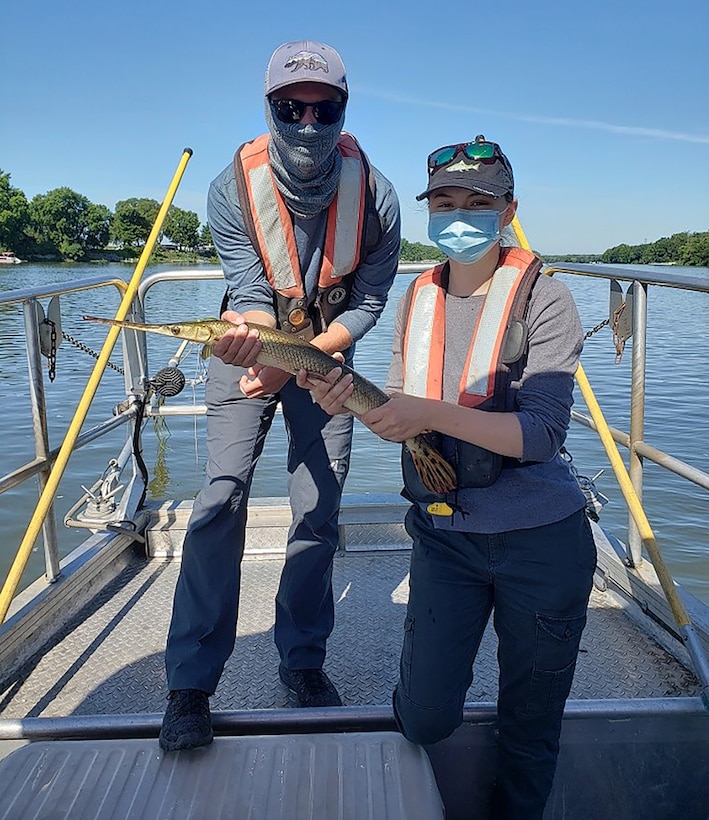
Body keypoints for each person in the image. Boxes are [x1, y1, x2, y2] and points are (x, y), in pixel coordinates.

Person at [298, 136, 596, 818]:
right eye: (445, 203)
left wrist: (426, 412)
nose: (459, 216)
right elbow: (398, 407)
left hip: (542, 543)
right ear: (428, 211)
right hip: (444, 537)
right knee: (425, 718)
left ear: (508, 210)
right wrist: (352, 401)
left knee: (530, 720)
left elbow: (542, 434)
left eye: (478, 203)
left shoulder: (547, 302)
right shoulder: (416, 297)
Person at [159, 40, 401, 752]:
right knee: (220, 497)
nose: (306, 121)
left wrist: (301, 360)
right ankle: (190, 683)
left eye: (324, 108)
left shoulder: (377, 193)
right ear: (267, 107)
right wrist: (261, 353)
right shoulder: (229, 187)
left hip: (326, 358)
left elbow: (370, 300)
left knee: (317, 509)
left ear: (343, 110)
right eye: (289, 107)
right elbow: (250, 287)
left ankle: (302, 661)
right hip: (247, 340)